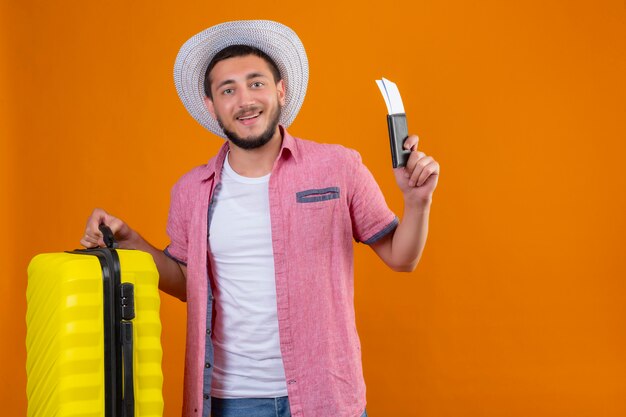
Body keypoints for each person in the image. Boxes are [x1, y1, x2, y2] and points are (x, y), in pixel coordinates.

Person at [81, 20, 439, 417]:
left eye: (256, 83)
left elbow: (402, 257)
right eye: (227, 90)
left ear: (280, 90)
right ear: (211, 105)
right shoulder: (190, 191)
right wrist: (130, 239)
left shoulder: (338, 166)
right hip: (230, 400)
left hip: (326, 394)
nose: (244, 100)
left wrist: (416, 202)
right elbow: (187, 282)